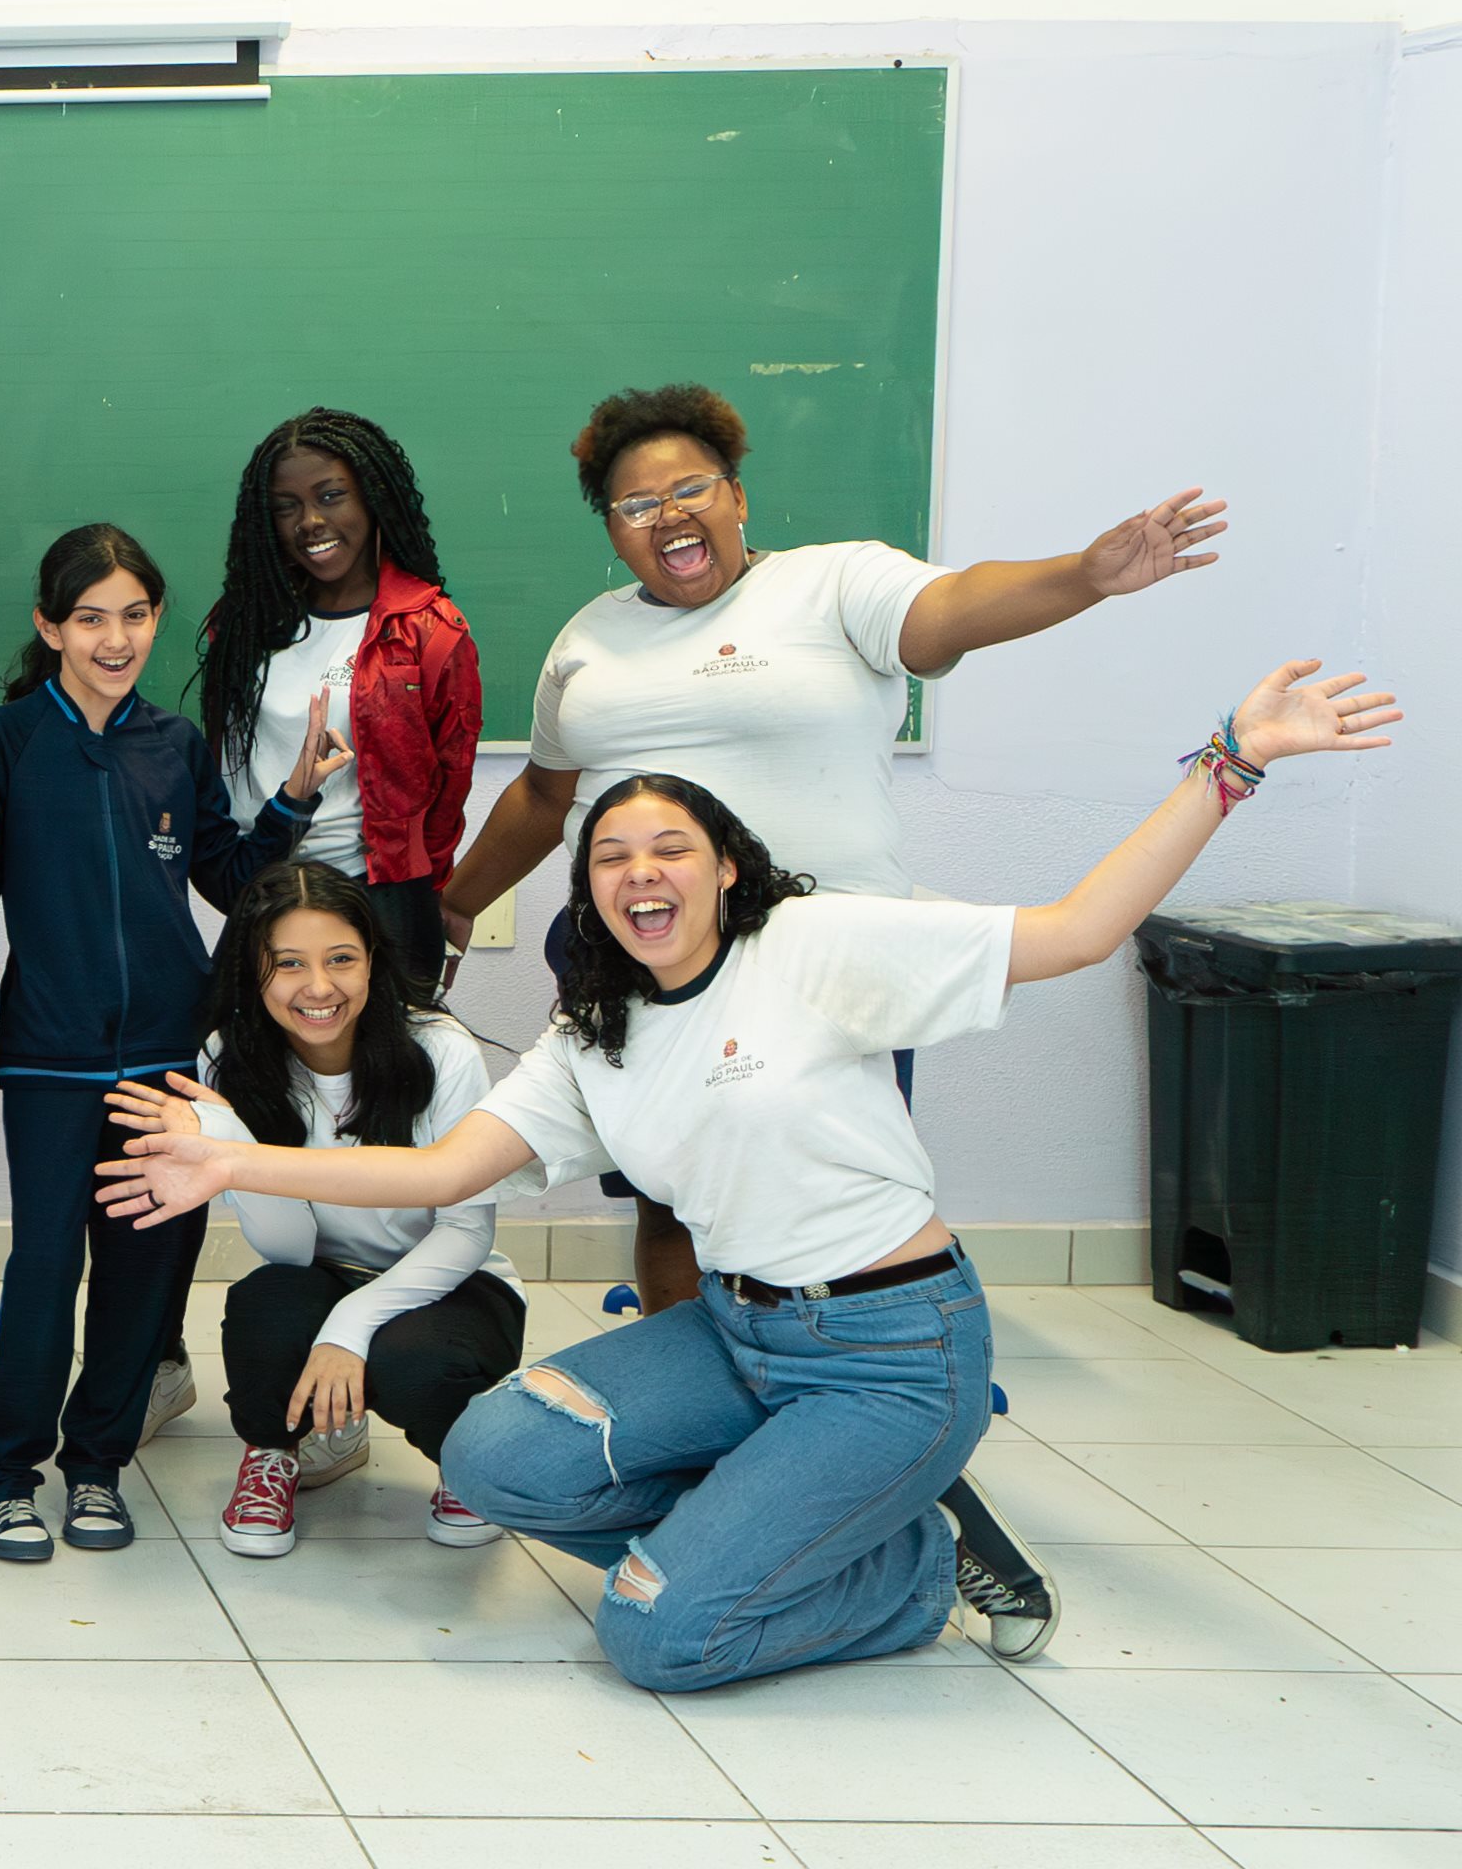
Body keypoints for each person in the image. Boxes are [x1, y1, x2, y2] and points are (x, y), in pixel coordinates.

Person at [103, 658, 1400, 1689]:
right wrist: (228, 1156)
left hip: (895, 1346)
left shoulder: (820, 945)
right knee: (497, 1457)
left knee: (658, 1639)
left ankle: (911, 1571)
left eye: (667, 848)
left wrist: (1229, 763)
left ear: (726, 864)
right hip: (736, 1336)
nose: (637, 874)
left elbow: (1074, 931)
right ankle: (770, 1535)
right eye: (609, 859)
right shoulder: (592, 1035)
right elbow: (443, 1176)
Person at [437, 383, 1231, 1315]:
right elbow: (542, 793)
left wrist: (1085, 576)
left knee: (840, 1191)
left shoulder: (834, 581)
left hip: (829, 957)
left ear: (736, 494)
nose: (669, 517)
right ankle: (698, 1389)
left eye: (691, 489)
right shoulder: (588, 637)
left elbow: (953, 608)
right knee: (668, 1199)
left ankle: (858, 1376)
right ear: (612, 531)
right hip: (644, 953)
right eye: (637, 506)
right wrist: (452, 903)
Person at [0, 524, 328, 1561]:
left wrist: (292, 801)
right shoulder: (11, 736)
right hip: (48, 1054)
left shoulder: (175, 741)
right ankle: (9, 1470)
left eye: (136, 614)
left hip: (162, 1053)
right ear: (50, 627)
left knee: (145, 1267)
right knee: (42, 1267)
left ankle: (98, 1464)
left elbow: (226, 878)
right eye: (90, 618)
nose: (116, 639)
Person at [184, 862, 526, 1560]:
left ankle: (468, 1462)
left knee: (413, 1363)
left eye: (341, 959)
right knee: (263, 1308)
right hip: (320, 1270)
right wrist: (233, 1154)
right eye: (289, 965)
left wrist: (349, 1328)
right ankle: (277, 1453)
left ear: (373, 960)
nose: (318, 988)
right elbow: (285, 1249)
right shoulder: (228, 1057)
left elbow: (466, 1231)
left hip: (455, 1282)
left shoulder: (441, 1050)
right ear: (255, 972)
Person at [193, 408, 481, 986]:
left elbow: (449, 789)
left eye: (331, 496)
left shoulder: (429, 630)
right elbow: (227, 773)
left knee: (386, 1073)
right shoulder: (243, 624)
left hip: (382, 905)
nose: (310, 521)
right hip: (265, 894)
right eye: (286, 506)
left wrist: (430, 895)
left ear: (374, 499)